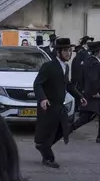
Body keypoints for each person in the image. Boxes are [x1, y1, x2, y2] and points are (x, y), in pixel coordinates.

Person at [32, 38, 88, 168]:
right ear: (58, 52)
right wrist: (43, 99)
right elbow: (37, 84)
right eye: (65, 50)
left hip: (59, 107)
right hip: (49, 107)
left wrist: (80, 96)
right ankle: (48, 158)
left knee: (64, 130)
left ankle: (43, 147)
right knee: (48, 132)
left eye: (69, 50)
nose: (68, 53)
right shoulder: (49, 66)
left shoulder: (66, 67)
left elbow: (67, 85)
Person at [72, 41, 100, 144]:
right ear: (97, 52)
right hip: (97, 93)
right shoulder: (94, 63)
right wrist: (95, 92)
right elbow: (93, 79)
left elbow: (81, 77)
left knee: (89, 115)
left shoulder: (88, 60)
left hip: (91, 92)